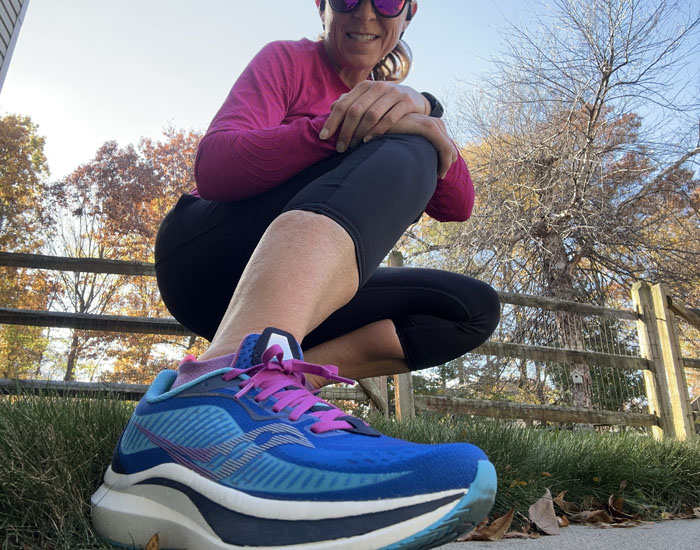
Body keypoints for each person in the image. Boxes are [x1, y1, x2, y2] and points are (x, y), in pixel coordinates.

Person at [91, 1, 500, 549]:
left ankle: (274, 392)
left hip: (305, 291)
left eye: (386, 1)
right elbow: (215, 167)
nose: (366, 13)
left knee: (469, 309)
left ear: (409, 13)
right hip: (206, 255)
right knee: (404, 142)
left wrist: (422, 105)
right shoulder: (287, 60)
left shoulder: (402, 104)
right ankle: (211, 399)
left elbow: (458, 204)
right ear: (322, 6)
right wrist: (348, 129)